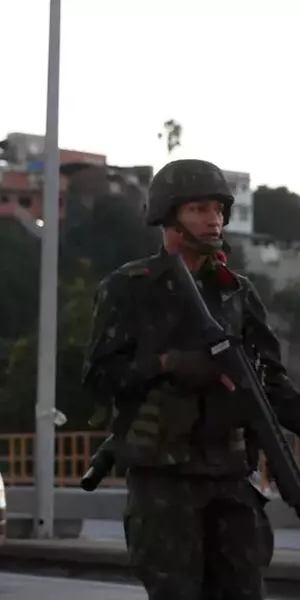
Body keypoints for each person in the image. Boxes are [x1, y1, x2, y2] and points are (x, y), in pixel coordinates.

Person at [82, 158, 300, 599]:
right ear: (169, 216)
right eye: (199, 209)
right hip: (164, 479)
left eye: (218, 209)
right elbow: (100, 377)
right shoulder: (130, 287)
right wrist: (169, 363)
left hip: (230, 475)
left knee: (244, 590)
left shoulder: (237, 292)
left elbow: (272, 385)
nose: (213, 219)